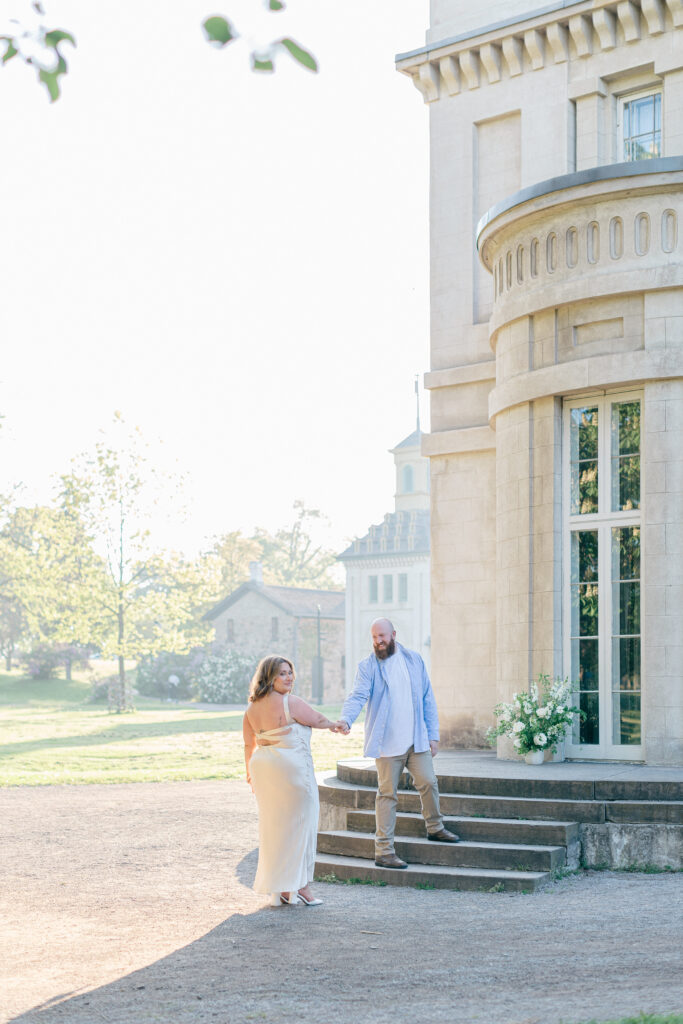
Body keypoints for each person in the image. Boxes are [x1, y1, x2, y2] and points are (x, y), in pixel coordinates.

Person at [339, 619, 458, 868]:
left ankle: (435, 827)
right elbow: (358, 695)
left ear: (393, 634)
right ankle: (384, 851)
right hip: (386, 745)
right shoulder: (367, 666)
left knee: (428, 782)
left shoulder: (413, 660)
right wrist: (346, 719)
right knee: (386, 795)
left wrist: (432, 735)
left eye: (382, 636)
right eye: (374, 637)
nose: (378, 641)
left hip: (416, 739)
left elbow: (427, 698)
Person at [243, 655, 343, 907]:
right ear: (269, 677)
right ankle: (300, 887)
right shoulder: (290, 703)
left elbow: (249, 744)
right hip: (292, 772)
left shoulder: (251, 708)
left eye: (290, 672)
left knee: (276, 829)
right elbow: (317, 719)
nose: (289, 678)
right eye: (282, 674)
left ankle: (283, 888)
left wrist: (249, 774)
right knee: (301, 826)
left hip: (263, 770)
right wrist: (335, 725)